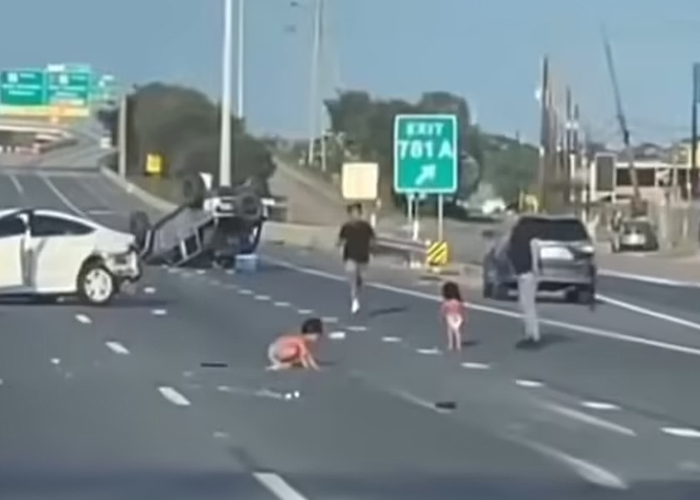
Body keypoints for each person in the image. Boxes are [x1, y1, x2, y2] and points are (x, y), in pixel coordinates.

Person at [507, 222, 542, 348]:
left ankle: (533, 334)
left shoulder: (524, 242)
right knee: (525, 304)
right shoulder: (531, 241)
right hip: (525, 275)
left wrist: (535, 270)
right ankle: (530, 333)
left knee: (528, 305)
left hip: (526, 274)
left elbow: (534, 260)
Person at [337, 203, 376, 314]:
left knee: (360, 280)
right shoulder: (346, 227)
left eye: (357, 213)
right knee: (352, 277)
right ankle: (354, 299)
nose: (355, 215)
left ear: (360, 213)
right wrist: (339, 245)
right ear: (350, 214)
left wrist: (373, 250)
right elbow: (341, 240)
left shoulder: (366, 226)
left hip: (363, 256)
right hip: (350, 256)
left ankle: (356, 294)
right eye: (353, 213)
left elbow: (373, 239)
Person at [440, 281, 466, 351]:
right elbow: (462, 309)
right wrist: (463, 317)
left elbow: (443, 310)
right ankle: (458, 345)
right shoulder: (458, 302)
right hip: (458, 316)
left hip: (450, 316)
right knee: (457, 331)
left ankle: (451, 344)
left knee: (450, 330)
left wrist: (442, 315)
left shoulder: (447, 303)